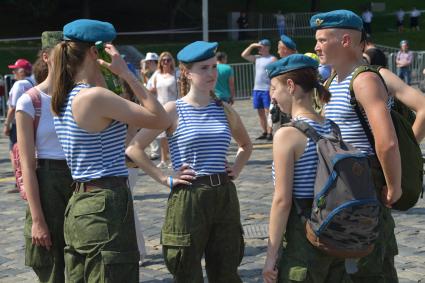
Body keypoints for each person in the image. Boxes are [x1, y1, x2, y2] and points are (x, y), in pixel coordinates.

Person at [51, 19, 170, 282]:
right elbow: (161, 119)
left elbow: (125, 135)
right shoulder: (94, 98)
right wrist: (126, 73)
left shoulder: (66, 96)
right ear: (95, 52)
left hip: (81, 204)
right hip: (105, 203)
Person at [126, 41, 252, 282]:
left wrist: (236, 167)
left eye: (214, 67)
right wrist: (164, 177)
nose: (212, 74)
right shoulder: (173, 109)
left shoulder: (224, 109)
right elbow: (134, 148)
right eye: (204, 68)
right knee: (186, 269)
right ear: (186, 72)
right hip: (189, 196)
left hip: (224, 195)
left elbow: (246, 145)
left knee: (227, 268)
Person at [311, 10, 401, 282]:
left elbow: (386, 142)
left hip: (365, 184)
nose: (316, 47)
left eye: (323, 40)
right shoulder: (330, 82)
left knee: (372, 268)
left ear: (346, 40)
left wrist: (394, 186)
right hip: (341, 186)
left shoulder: (364, 80)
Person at [262, 54, 349, 283]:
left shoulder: (288, 135)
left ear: (290, 86)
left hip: (304, 239)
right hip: (335, 235)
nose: (272, 95)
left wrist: (271, 257)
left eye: (273, 88)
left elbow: (282, 200)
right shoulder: (332, 127)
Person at [15, 31, 72, 283]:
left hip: (80, 180)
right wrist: (37, 220)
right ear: (47, 57)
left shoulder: (82, 96)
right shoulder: (30, 101)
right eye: (63, 54)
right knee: (51, 269)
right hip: (47, 181)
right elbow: (27, 166)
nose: (69, 60)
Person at [4, 58, 34, 193]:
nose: (13, 72)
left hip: (18, 124)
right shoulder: (32, 82)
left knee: (14, 152)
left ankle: (19, 183)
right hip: (31, 121)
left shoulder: (18, 85)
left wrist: (6, 124)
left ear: (22, 71)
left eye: (15, 69)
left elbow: (12, 107)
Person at [242, 39, 277, 140]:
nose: (258, 49)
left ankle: (270, 132)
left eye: (260, 47)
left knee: (268, 112)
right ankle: (265, 131)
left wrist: (274, 88)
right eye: (258, 47)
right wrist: (252, 45)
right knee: (260, 113)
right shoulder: (257, 58)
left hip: (267, 89)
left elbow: (276, 73)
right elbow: (244, 55)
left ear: (267, 47)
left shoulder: (272, 59)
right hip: (257, 89)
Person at [148, 52, 178, 169]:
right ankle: (163, 159)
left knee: (173, 134)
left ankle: (174, 159)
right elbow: (152, 88)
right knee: (162, 135)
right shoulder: (157, 74)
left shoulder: (176, 74)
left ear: (172, 61)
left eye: (168, 60)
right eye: (163, 60)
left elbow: (180, 90)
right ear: (160, 62)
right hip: (160, 107)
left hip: (174, 106)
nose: (166, 62)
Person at [141, 52, 160, 160]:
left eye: (148, 62)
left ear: (153, 62)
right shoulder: (154, 73)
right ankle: (155, 151)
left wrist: (145, 90)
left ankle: (155, 151)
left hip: (155, 104)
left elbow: (154, 88)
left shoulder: (157, 74)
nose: (147, 65)